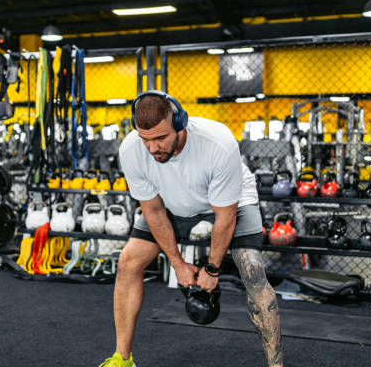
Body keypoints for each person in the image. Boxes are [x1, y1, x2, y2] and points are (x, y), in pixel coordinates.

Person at [97, 90, 283, 367]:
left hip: (230, 200)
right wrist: (177, 263)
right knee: (129, 261)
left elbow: (225, 217)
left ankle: (275, 365)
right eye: (146, 139)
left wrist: (212, 269)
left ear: (180, 123)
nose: (153, 148)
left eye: (161, 138)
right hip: (172, 202)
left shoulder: (217, 143)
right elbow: (154, 210)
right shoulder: (132, 149)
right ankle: (122, 359)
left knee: (252, 267)